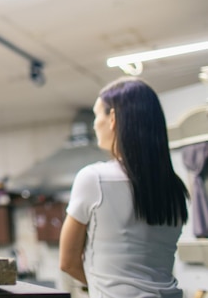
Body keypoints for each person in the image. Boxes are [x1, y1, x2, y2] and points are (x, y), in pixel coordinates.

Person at [59, 76, 189, 297]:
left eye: (97, 114)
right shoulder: (175, 187)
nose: (94, 123)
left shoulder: (94, 179)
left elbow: (68, 262)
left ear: (113, 118)